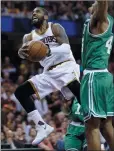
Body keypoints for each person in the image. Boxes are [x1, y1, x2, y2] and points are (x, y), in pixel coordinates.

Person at [14, 7, 80, 145]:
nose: (33, 14)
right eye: (32, 13)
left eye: (37, 12)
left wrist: (49, 50)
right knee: (20, 92)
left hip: (66, 65)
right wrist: (21, 53)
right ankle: (41, 126)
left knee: (77, 92)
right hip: (48, 72)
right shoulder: (29, 37)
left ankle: (96, 123)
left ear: (45, 16)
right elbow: (24, 54)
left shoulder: (55, 28)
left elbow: (67, 48)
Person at [81, 0, 114, 150]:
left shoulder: (100, 19)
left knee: (91, 127)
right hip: (105, 76)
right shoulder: (105, 21)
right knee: (106, 125)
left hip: (94, 76)